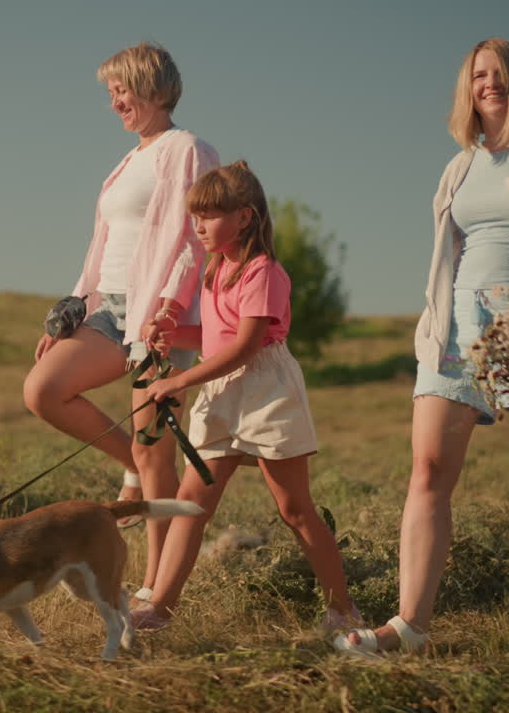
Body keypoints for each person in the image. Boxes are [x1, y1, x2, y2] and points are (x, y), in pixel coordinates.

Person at [335, 38, 509, 656]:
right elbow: (450, 253)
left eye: (500, 73)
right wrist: (439, 325)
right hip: (455, 332)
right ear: (468, 88)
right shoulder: (459, 167)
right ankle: (409, 626)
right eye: (478, 74)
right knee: (428, 470)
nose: (489, 83)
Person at [22, 42, 219, 602]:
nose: (115, 103)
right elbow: (102, 244)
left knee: (157, 448)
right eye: (111, 93)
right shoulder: (129, 161)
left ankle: (156, 588)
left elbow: (191, 237)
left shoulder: (187, 149)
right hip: (107, 308)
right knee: (44, 390)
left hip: (156, 313)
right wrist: (73, 309)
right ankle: (128, 464)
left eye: (122, 91)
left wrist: (170, 309)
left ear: (156, 90)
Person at [133, 160, 360, 632]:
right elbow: (216, 338)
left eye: (211, 215)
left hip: (264, 389)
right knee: (192, 500)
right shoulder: (217, 268)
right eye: (196, 216)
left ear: (245, 217)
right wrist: (175, 333)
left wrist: (177, 381)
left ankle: (343, 610)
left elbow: (245, 345)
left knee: (294, 508)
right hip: (221, 388)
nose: (199, 226)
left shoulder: (263, 271)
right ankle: (159, 610)